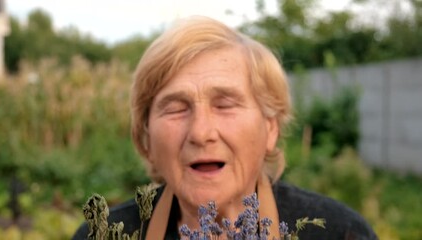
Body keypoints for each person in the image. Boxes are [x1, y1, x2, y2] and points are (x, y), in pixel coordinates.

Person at [72, 16, 377, 240]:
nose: (201, 132)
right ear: (147, 139)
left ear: (270, 129)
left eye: (225, 104)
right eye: (176, 108)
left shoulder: (338, 232)